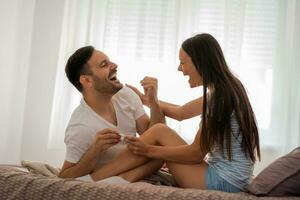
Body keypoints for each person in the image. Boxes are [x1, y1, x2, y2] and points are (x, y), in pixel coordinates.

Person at [87, 33, 261, 193]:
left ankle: (93, 179)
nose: (180, 69)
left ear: (200, 62)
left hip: (224, 183)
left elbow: (195, 154)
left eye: (183, 63)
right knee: (160, 131)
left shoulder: (219, 98)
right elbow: (181, 113)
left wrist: (148, 150)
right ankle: (115, 177)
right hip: (234, 179)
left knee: (159, 131)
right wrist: (145, 99)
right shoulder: (228, 88)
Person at [58, 46, 165, 180]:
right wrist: (94, 151)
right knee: (160, 156)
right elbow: (64, 176)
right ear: (86, 80)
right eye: (104, 64)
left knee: (162, 147)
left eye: (110, 61)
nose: (114, 65)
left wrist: (154, 102)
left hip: (140, 168)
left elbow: (154, 136)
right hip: (116, 175)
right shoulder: (80, 127)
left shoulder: (125, 95)